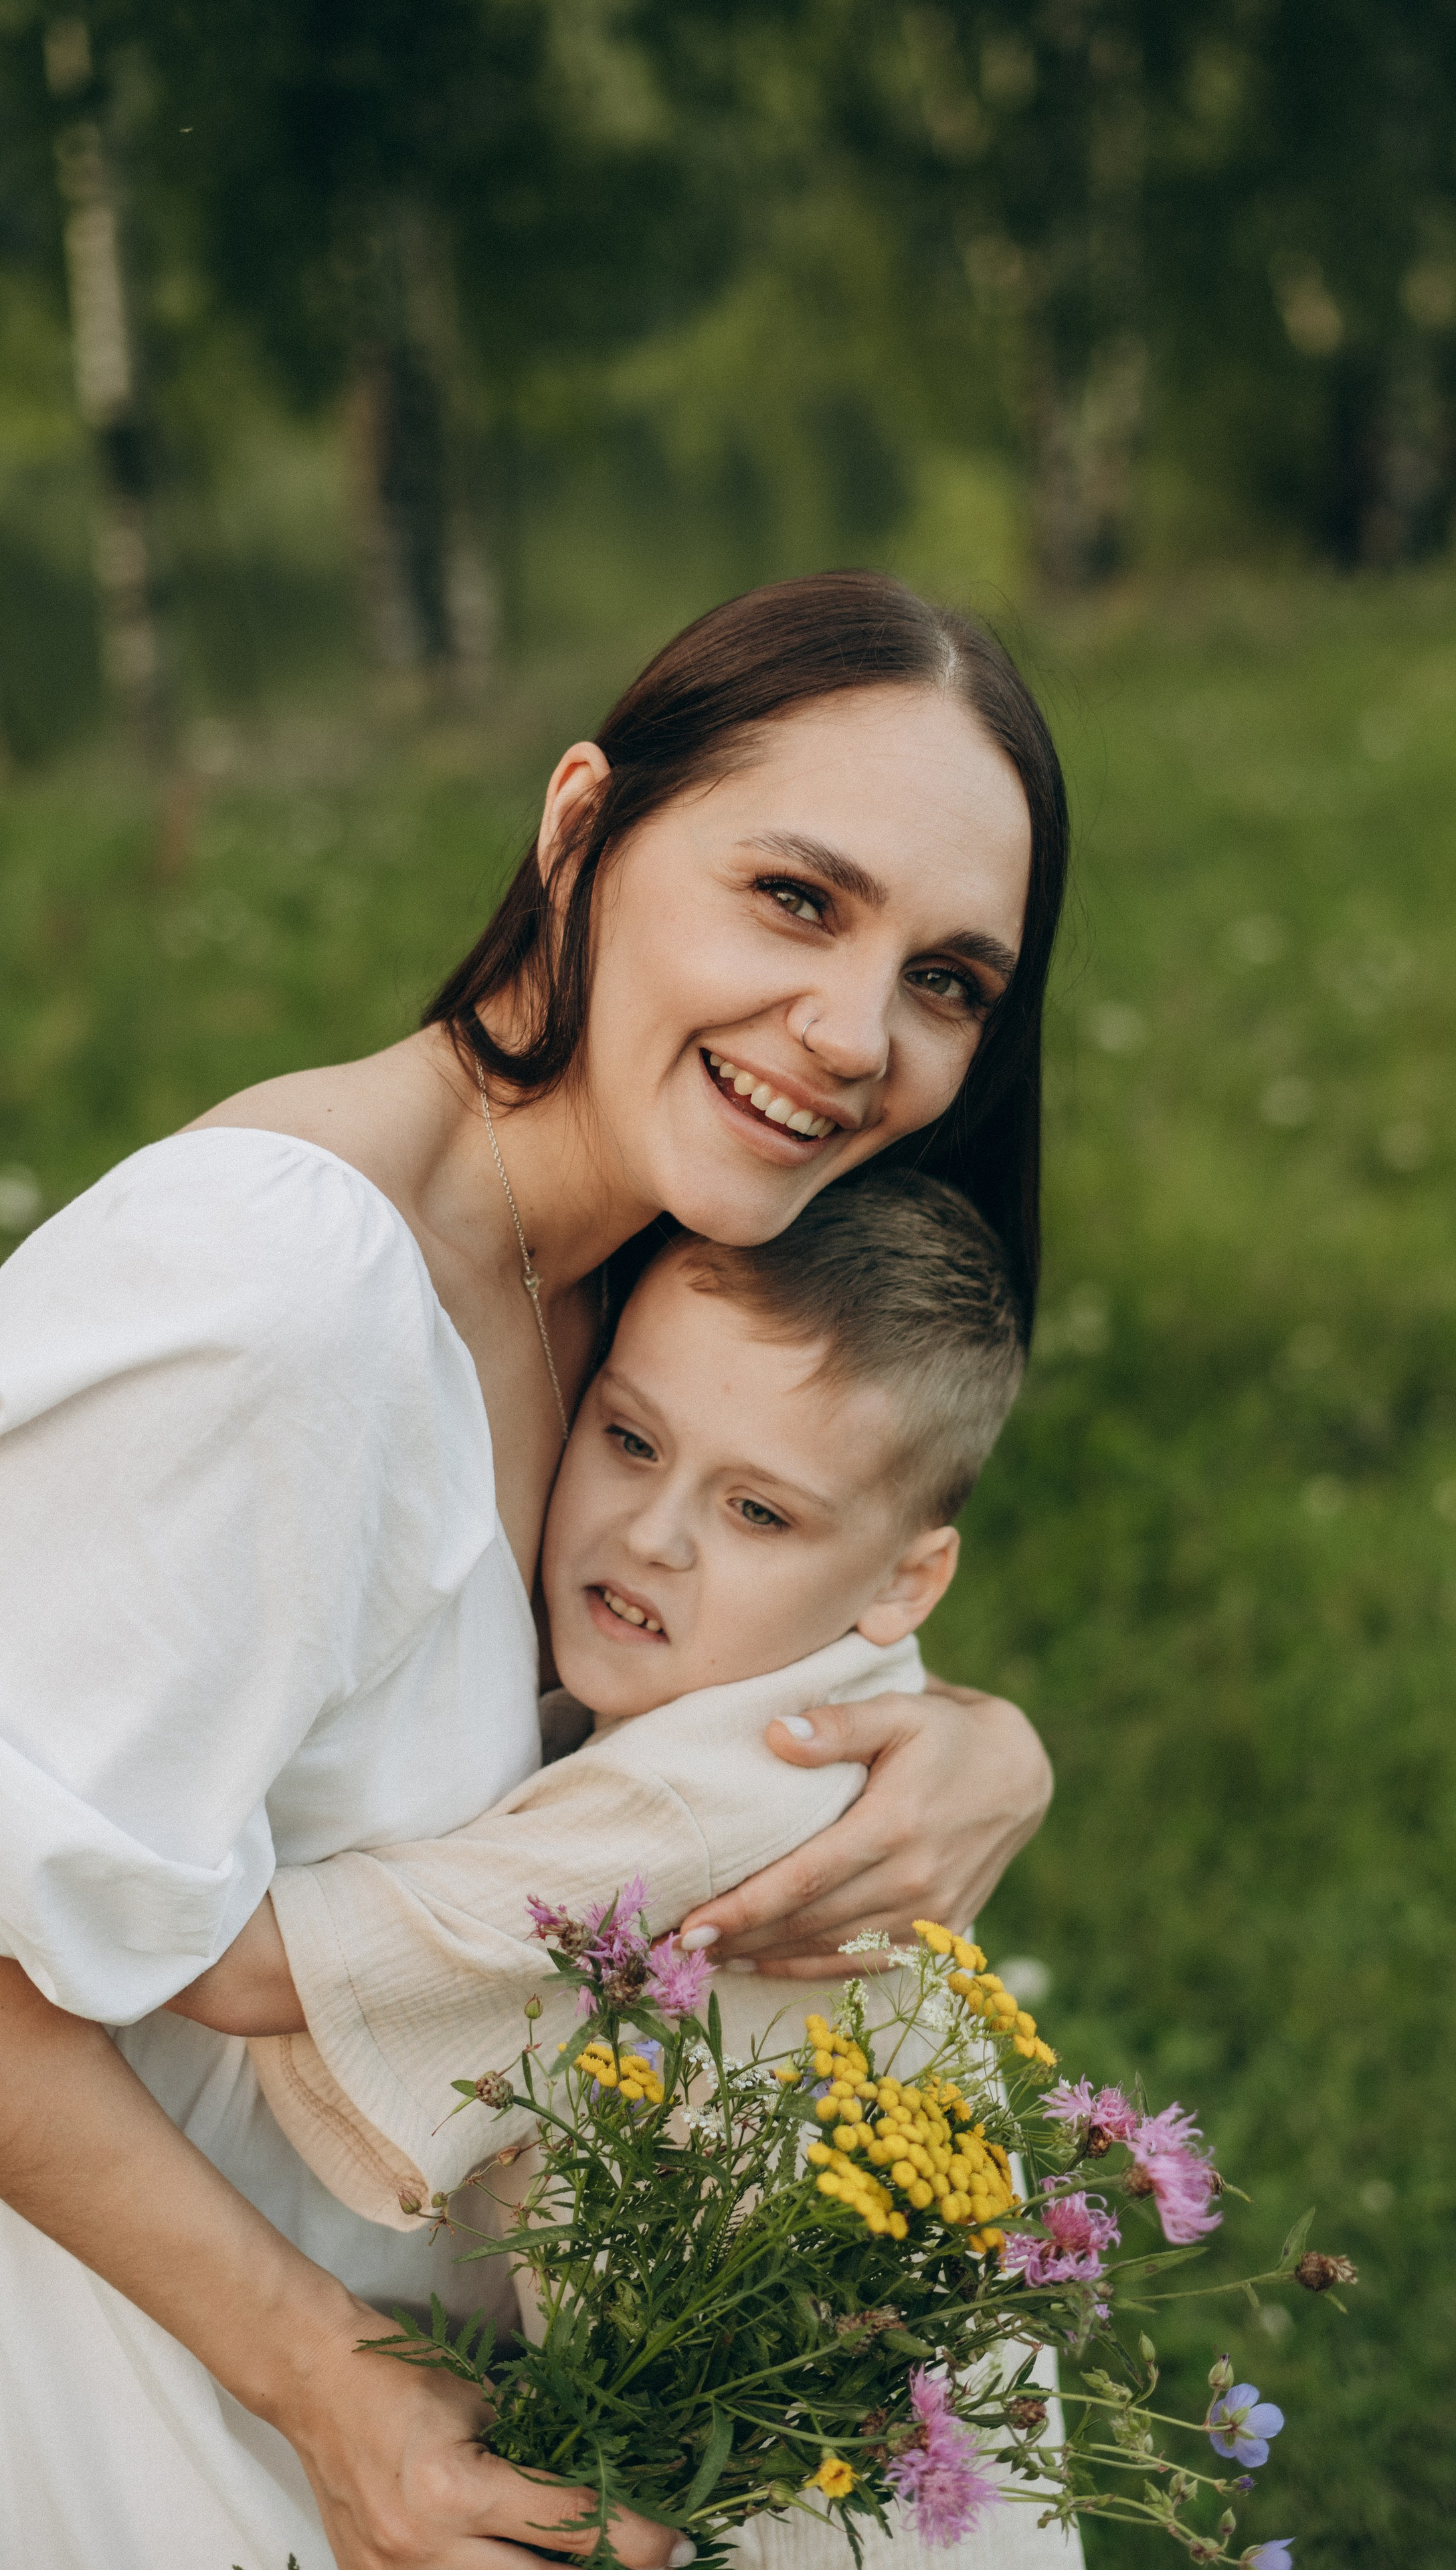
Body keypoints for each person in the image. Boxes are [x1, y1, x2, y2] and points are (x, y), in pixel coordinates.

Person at [0, 572, 1069, 2570]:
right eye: (796, 898)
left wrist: (978, 1743)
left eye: (949, 980)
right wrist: (328, 2386)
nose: (856, 1038)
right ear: (580, 830)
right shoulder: (289, 1305)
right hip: (146, 2350)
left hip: (446, 2324)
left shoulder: (647, 1275)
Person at [198, 1167, 1077, 2569]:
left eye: (757, 1515)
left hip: (786, 2498)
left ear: (908, 1579)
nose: (650, 1536)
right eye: (627, 1439)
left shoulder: (692, 1805)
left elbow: (247, 1973)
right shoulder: (862, 1704)